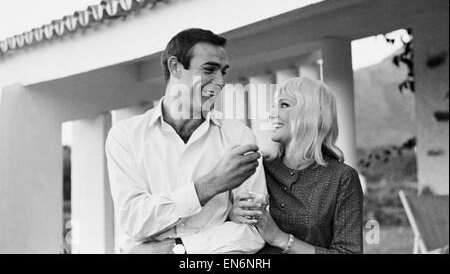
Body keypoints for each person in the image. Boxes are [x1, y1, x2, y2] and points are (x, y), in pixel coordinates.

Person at [105, 28, 267, 254]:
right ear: (175, 67)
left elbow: (253, 232)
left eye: (223, 72)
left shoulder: (239, 138)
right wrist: (210, 185)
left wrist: (177, 248)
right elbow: (134, 221)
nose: (220, 81)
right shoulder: (125, 136)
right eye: (209, 69)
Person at [229, 77, 364, 254]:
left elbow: (349, 252)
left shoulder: (342, 178)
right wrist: (233, 214)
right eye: (274, 106)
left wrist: (280, 238)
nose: (272, 114)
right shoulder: (258, 167)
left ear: (311, 113)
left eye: (284, 105)